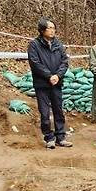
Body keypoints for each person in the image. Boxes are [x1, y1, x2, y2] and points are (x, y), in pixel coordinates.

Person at [27, 17, 72, 149]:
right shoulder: (34, 45)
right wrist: (49, 76)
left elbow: (64, 62)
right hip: (42, 84)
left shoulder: (58, 45)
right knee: (45, 112)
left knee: (58, 110)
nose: (52, 30)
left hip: (56, 83)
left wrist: (58, 75)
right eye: (49, 28)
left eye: (53, 28)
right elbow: (35, 63)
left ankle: (60, 137)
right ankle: (49, 138)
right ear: (42, 30)